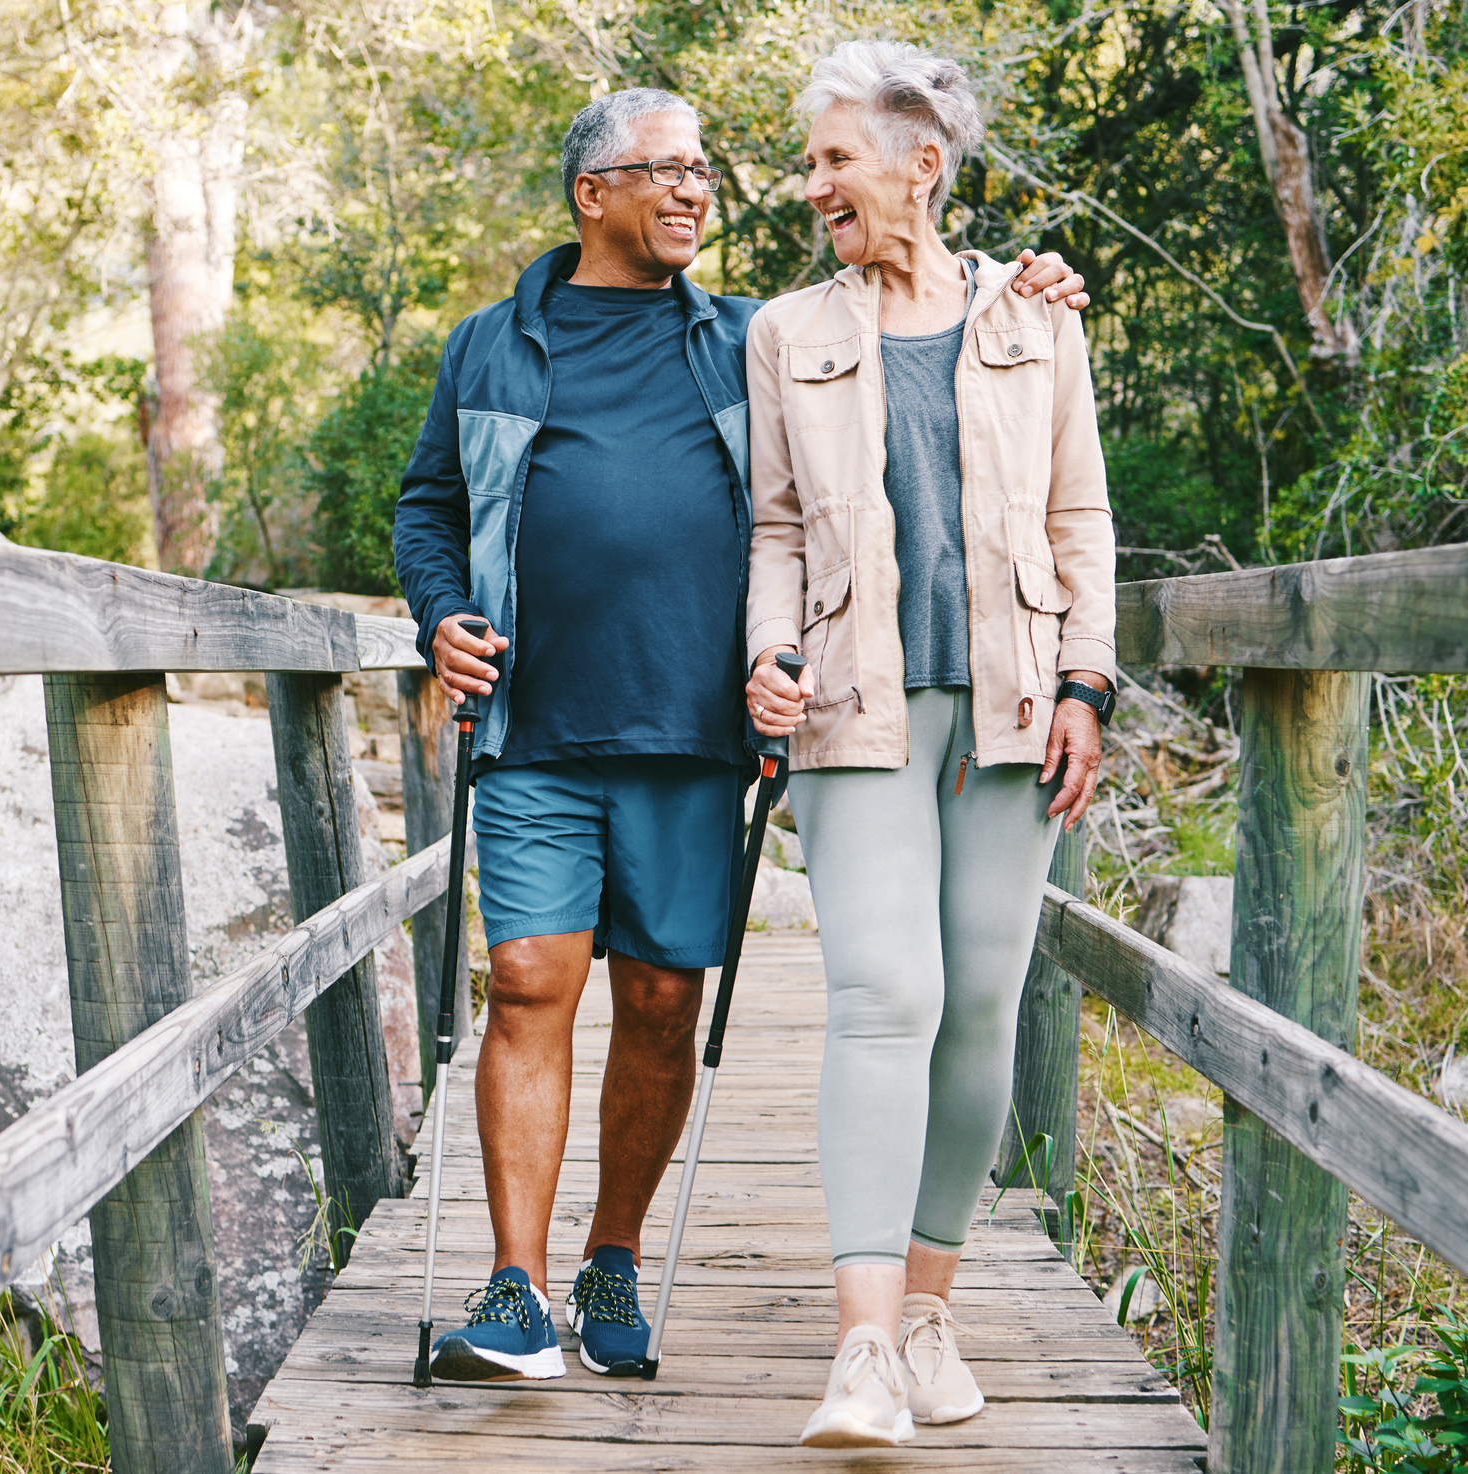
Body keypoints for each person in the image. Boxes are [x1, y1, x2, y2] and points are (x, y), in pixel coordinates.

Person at [392, 84, 1091, 1384]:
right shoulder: (489, 345)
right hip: (534, 725)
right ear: (589, 191)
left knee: (660, 1002)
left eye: (703, 168)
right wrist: (440, 613)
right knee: (529, 984)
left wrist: (1026, 287)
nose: (694, 190)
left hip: (696, 736)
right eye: (661, 169)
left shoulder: (747, 338)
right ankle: (515, 1291)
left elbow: (873, 395)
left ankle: (611, 1255)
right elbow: (427, 505)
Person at [742, 39, 1117, 1446]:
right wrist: (762, 656)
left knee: (978, 1007)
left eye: (835, 159)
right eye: (814, 161)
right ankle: (855, 1352)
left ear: (922, 165)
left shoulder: (1037, 316)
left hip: (1018, 700)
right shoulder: (787, 330)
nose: (814, 185)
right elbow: (776, 525)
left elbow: (1078, 515)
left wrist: (1089, 678)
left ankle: (926, 1311)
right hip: (855, 701)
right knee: (881, 994)